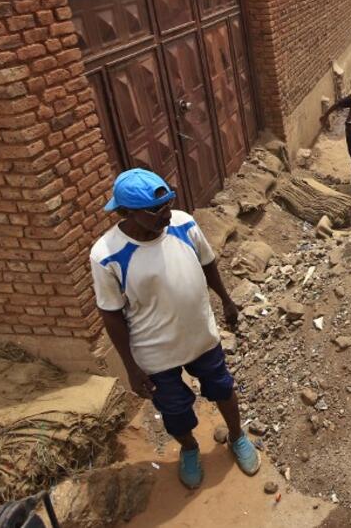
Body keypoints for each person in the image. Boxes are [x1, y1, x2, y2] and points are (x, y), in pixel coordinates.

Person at [90, 169, 259, 489]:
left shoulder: (183, 224)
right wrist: (131, 366)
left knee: (222, 388)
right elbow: (110, 314)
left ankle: (237, 437)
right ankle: (190, 449)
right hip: (155, 353)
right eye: (156, 210)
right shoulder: (107, 255)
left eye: (168, 204)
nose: (166, 213)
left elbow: (207, 262)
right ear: (126, 212)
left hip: (201, 337)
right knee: (174, 410)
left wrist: (226, 299)